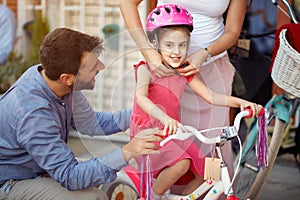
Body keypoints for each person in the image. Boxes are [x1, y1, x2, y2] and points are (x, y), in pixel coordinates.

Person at [0, 28, 163, 200]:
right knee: (92, 197)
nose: (101, 66)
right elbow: (71, 176)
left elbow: (91, 124)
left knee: (97, 179)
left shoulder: (56, 79)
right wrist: (127, 151)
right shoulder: (34, 115)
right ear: (67, 78)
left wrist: (145, 114)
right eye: (93, 66)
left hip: (39, 169)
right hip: (11, 181)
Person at [130, 4, 262, 199]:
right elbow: (141, 98)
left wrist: (241, 103)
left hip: (172, 131)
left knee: (209, 171)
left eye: (182, 45)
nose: (176, 52)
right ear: (155, 43)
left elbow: (211, 96)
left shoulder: (183, 71)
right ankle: (151, 196)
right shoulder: (146, 68)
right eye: (169, 45)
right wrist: (164, 117)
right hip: (152, 128)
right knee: (182, 164)